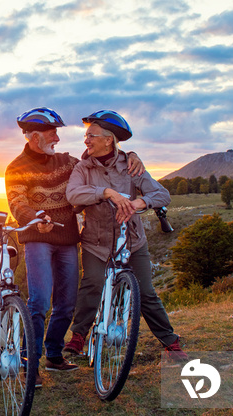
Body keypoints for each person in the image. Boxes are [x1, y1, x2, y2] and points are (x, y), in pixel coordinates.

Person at [5, 107, 146, 387]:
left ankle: (54, 355)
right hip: (38, 240)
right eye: (52, 133)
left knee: (66, 303)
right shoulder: (16, 168)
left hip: (68, 239)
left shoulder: (67, 162)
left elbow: (98, 159)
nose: (57, 138)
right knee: (40, 302)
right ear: (34, 137)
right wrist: (35, 219)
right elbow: (17, 202)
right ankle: (28, 364)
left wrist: (129, 155)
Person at [64, 110, 188, 362]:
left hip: (132, 241)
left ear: (109, 139)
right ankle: (79, 336)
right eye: (86, 136)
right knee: (93, 285)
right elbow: (73, 195)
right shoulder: (83, 167)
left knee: (145, 292)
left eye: (91, 136)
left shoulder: (131, 165)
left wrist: (140, 203)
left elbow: (162, 194)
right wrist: (107, 192)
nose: (86, 141)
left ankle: (170, 342)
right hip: (96, 242)